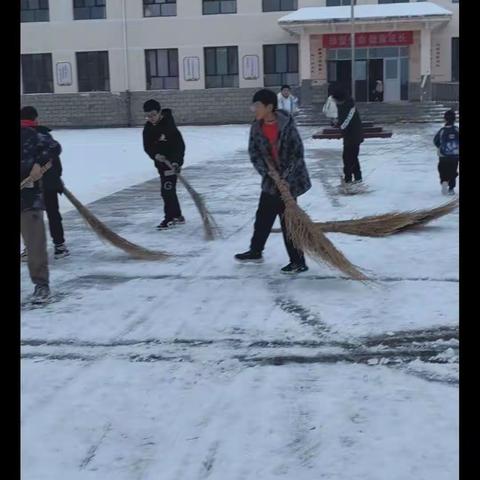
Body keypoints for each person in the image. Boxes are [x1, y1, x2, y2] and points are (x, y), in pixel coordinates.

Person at [234, 89, 311, 274]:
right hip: (270, 180)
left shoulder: (287, 124)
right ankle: (255, 251)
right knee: (263, 217)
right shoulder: (256, 127)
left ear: (269, 106)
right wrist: (268, 173)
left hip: (290, 182)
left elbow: (297, 154)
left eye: (257, 105)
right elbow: (254, 153)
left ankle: (298, 261)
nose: (254, 109)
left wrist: (284, 177)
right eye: (253, 106)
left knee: (289, 222)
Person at [21, 106, 62, 303]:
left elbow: (55, 147)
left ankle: (41, 286)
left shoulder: (32, 135)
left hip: (28, 198)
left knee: (35, 243)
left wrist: (39, 162)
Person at [20, 107, 69, 261]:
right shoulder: (42, 134)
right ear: (36, 119)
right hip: (47, 183)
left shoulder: (32, 135)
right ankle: (59, 246)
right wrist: (56, 176)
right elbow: (56, 154)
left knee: (30, 215)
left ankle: (31, 248)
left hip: (32, 186)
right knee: (52, 213)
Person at [142, 100, 186, 229]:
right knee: (169, 190)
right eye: (148, 115)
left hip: (173, 165)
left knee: (167, 190)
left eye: (153, 114)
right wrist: (155, 155)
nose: (151, 118)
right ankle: (177, 215)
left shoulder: (169, 126)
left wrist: (176, 162)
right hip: (161, 166)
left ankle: (170, 217)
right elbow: (147, 146)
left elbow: (179, 146)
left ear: (160, 113)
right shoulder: (148, 128)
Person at [331, 87, 364, 184]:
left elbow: (345, 122)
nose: (335, 102)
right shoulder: (343, 105)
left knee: (349, 158)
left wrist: (338, 124)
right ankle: (356, 178)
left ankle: (349, 179)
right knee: (351, 157)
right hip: (349, 136)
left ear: (340, 99)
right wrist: (336, 122)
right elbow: (342, 120)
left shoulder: (349, 107)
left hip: (354, 136)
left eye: (335, 100)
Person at [434, 110, 459, 195]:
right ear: (454, 119)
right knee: (453, 171)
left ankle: (444, 183)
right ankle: (451, 188)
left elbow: (435, 141)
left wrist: (441, 148)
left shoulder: (442, 130)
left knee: (443, 170)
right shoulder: (456, 130)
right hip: (455, 156)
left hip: (443, 156)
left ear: (445, 119)